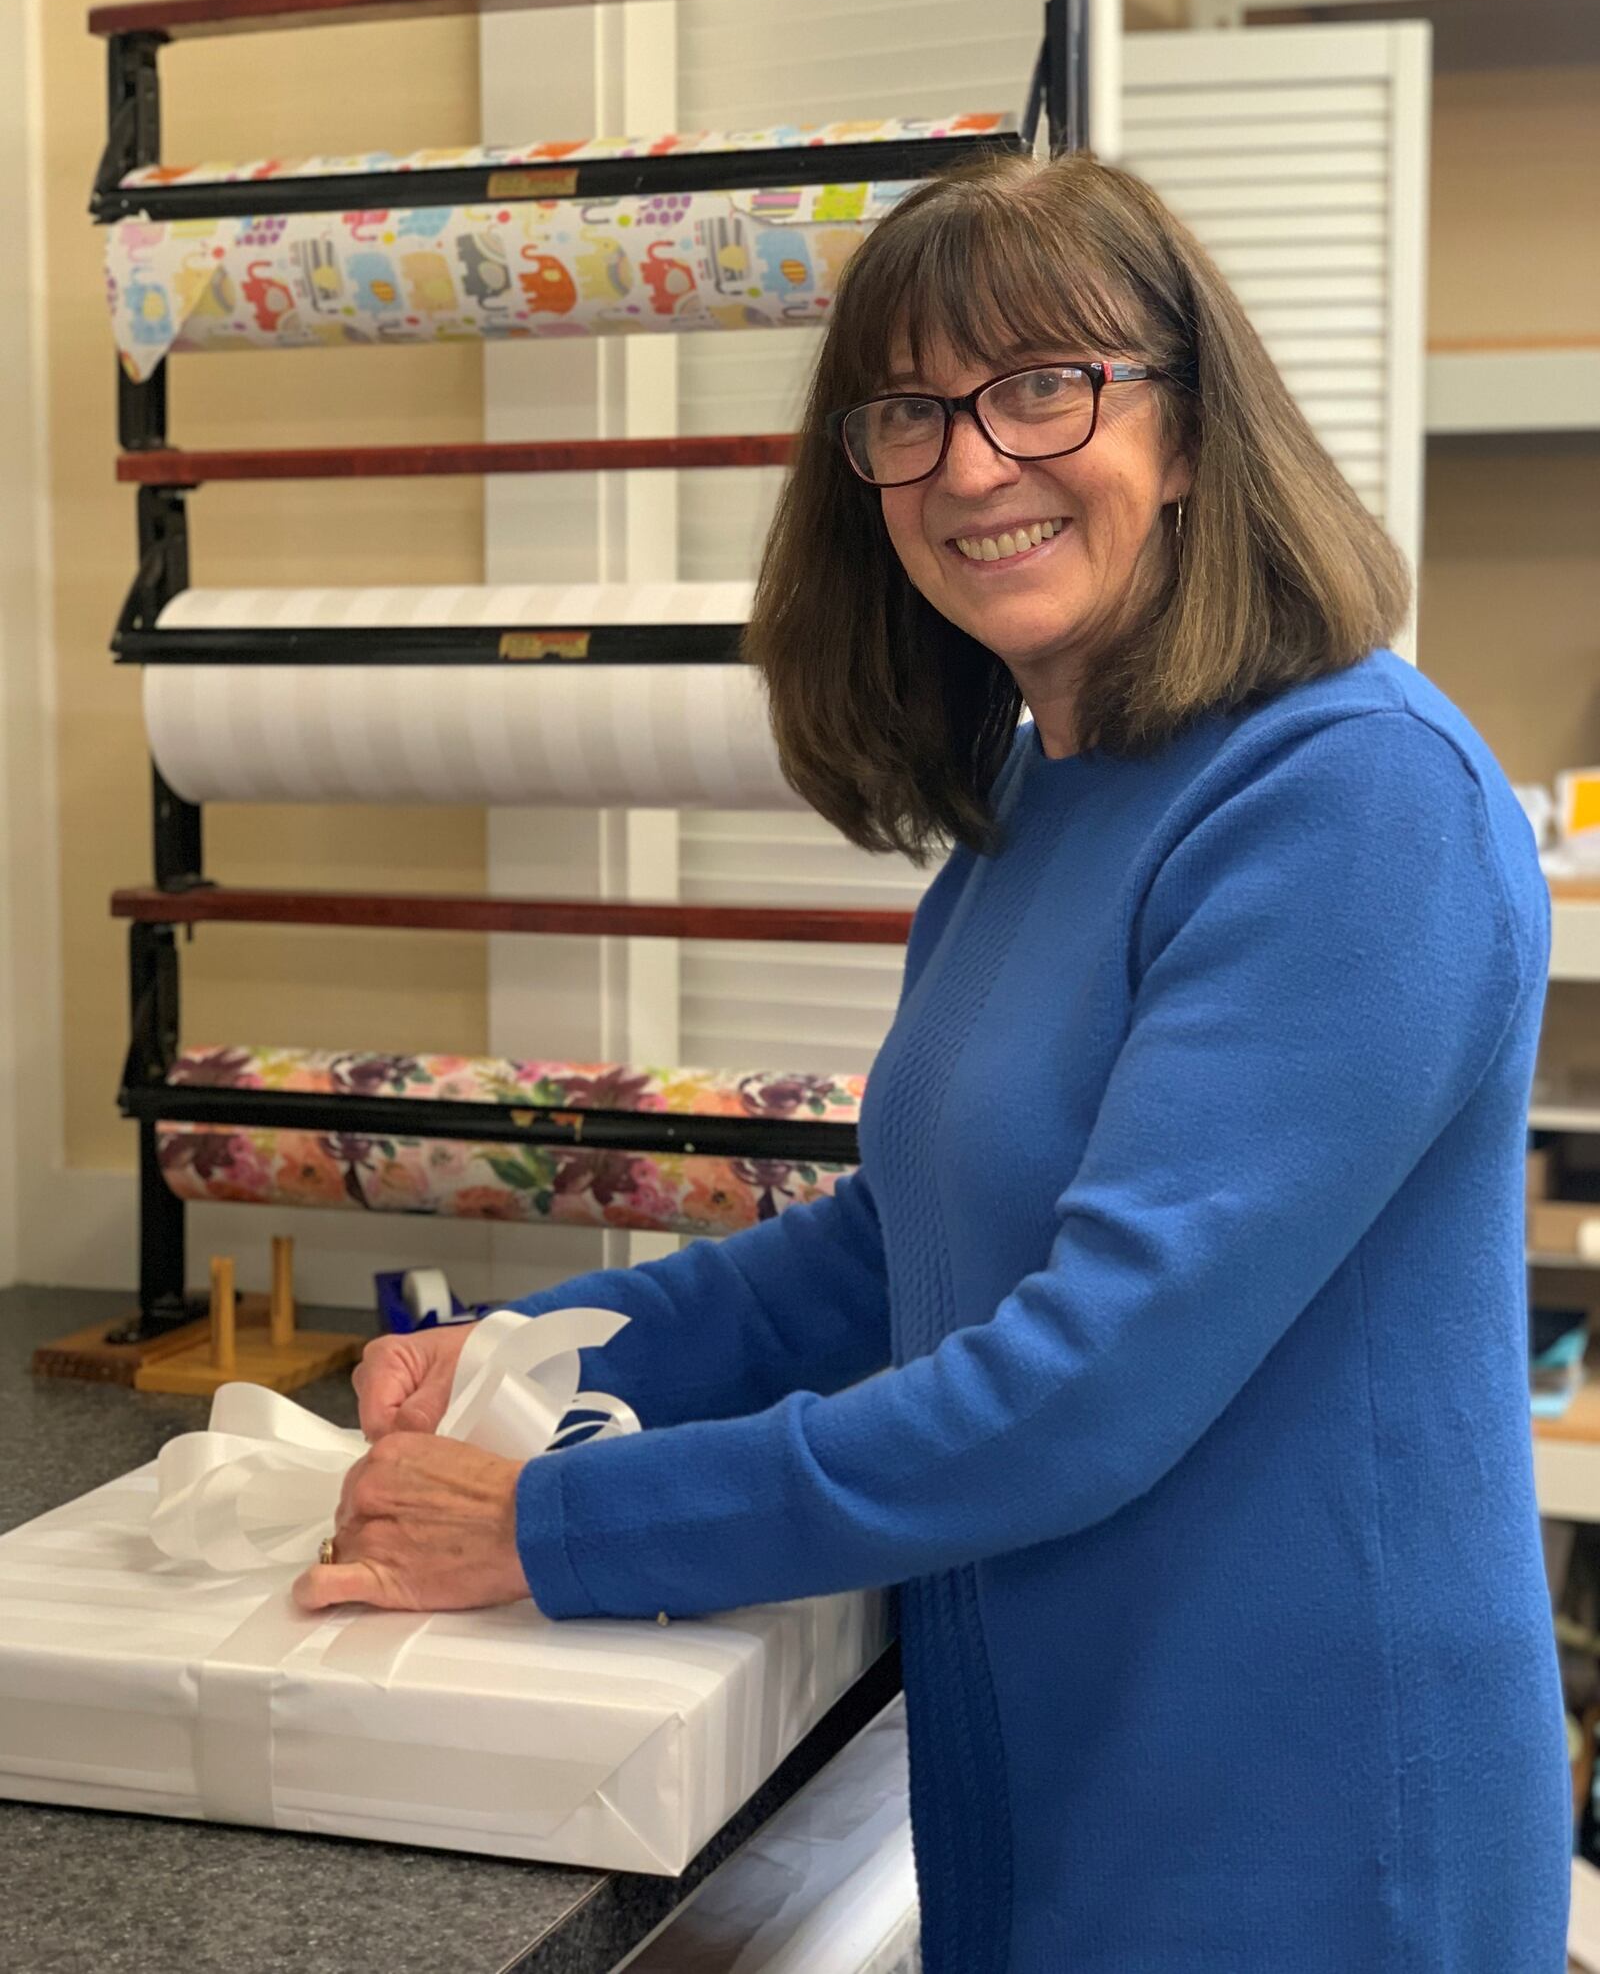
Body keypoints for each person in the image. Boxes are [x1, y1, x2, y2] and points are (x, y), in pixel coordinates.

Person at [296, 152, 1571, 1972]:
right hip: (1054, 1772)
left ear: (1194, 428)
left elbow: (1083, 1383)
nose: (973, 463)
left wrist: (555, 1518)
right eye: (908, 411)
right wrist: (534, 1353)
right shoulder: (1045, 784)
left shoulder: (1355, 799)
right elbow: (905, 1240)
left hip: (1308, 1833)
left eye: (1046, 383)